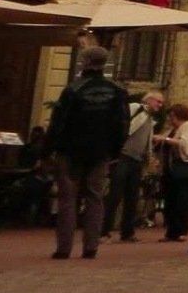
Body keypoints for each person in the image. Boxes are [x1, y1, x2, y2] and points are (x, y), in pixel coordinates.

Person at [42, 46, 129, 260]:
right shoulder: (116, 91)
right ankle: (91, 246)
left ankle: (64, 247)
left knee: (67, 198)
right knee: (95, 197)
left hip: (71, 151)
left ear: (86, 62)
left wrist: (48, 150)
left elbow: (58, 123)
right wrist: (115, 150)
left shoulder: (73, 90)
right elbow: (122, 124)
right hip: (100, 152)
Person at [109, 89, 164, 242]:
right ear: (149, 99)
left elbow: (147, 141)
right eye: (158, 101)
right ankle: (104, 231)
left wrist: (149, 158)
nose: (160, 105)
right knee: (115, 195)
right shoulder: (135, 108)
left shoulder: (150, 120)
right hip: (124, 157)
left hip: (137, 160)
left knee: (132, 198)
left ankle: (127, 232)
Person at [153, 104, 188, 242]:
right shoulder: (173, 129)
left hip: (183, 169)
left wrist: (165, 140)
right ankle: (171, 231)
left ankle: (181, 231)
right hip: (171, 169)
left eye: (172, 116)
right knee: (170, 200)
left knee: (182, 201)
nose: (170, 119)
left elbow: (185, 145)